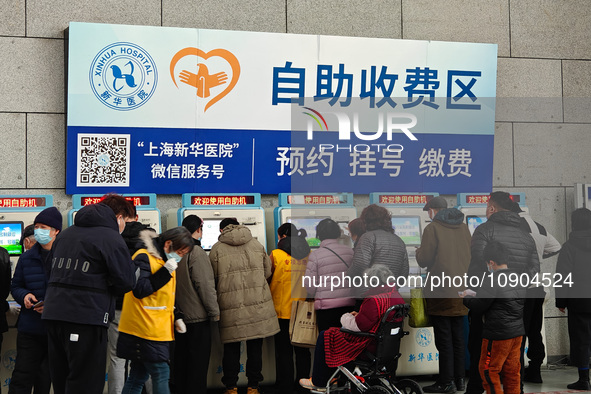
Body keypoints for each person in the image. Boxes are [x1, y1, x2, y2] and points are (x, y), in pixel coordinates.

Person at [42, 194, 138, 394]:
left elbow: (49, 272)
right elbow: (127, 281)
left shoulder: (65, 235)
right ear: (118, 217)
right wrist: (108, 282)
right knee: (85, 381)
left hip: (53, 316)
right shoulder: (111, 238)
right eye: (126, 221)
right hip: (86, 317)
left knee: (62, 379)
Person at [465, 191, 539, 394]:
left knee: (484, 355)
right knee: (514, 360)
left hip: (489, 306)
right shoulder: (526, 236)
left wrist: (473, 295)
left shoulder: (484, 230)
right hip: (517, 304)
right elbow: (534, 272)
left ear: (491, 208)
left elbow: (478, 266)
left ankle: (475, 390)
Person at [299, 265, 405, 391]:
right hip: (388, 347)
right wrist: (360, 315)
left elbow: (360, 326)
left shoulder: (373, 300)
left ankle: (319, 381)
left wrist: (346, 317)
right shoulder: (396, 296)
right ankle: (329, 377)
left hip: (369, 345)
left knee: (325, 335)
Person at [117, 226, 194, 394]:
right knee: (161, 373)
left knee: (138, 376)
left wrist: (176, 316)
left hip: (156, 328)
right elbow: (140, 289)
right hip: (144, 327)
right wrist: (165, 272)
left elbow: (164, 296)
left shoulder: (164, 261)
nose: (180, 257)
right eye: (180, 252)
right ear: (167, 244)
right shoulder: (144, 257)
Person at [209, 218, 280, 394]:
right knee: (255, 348)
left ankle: (231, 387)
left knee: (231, 348)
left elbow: (212, 277)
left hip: (230, 306)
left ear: (221, 229)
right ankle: (253, 387)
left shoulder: (217, 249)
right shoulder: (256, 244)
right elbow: (268, 271)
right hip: (257, 305)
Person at [416, 197, 471, 394]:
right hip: (461, 288)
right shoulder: (464, 227)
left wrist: (417, 252)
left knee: (444, 339)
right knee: (458, 338)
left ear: (433, 210)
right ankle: (459, 380)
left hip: (441, 290)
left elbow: (425, 259)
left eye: (428, 211)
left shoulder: (432, 229)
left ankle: (445, 382)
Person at [9, 207, 62, 394]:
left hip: (55, 329)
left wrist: (52, 304)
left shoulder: (66, 258)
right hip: (30, 328)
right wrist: (24, 295)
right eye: (37, 226)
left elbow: (71, 291)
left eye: (44, 227)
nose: (39, 230)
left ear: (56, 231)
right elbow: (15, 286)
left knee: (45, 378)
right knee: (21, 377)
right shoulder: (26, 258)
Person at [462, 241, 526, 394]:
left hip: (497, 334)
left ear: (491, 262)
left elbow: (480, 305)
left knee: (488, 370)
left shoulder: (492, 279)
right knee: (512, 372)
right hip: (517, 333)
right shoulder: (518, 278)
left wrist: (466, 297)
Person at [510, 202, 561, 385]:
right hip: (536, 287)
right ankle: (535, 370)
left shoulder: (512, 226)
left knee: (517, 332)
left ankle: (516, 373)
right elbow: (556, 247)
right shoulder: (539, 226)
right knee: (534, 331)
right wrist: (539, 258)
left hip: (518, 288)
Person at [109, 202, 155, 394]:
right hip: (146, 307)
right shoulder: (151, 238)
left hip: (119, 306)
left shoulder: (111, 238)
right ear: (136, 217)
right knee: (149, 357)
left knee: (117, 358)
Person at [174, 215, 220, 394]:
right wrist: (214, 312)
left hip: (179, 316)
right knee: (197, 368)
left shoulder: (176, 250)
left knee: (182, 364)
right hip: (198, 319)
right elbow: (205, 286)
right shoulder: (197, 252)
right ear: (199, 230)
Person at [269, 223, 311, 393]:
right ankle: (302, 386)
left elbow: (266, 276)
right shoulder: (308, 254)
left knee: (284, 352)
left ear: (282, 236)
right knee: (302, 352)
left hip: (281, 310)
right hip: (302, 310)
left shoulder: (276, 254)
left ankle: (285, 387)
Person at [555, 208, 591, 390]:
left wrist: (561, 302)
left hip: (579, 302)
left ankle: (584, 380)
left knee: (581, 340)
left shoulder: (569, 246)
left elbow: (563, 276)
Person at [347, 204, 409, 298]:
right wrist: (392, 286)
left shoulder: (368, 237)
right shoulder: (399, 240)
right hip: (391, 295)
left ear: (366, 220)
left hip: (369, 295)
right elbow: (404, 273)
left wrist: (349, 276)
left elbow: (360, 265)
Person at [305, 218, 355, 332]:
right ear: (337, 233)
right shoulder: (350, 252)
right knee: (346, 341)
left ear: (319, 235)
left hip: (326, 308)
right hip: (349, 306)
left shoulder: (316, 255)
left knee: (328, 342)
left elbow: (310, 286)